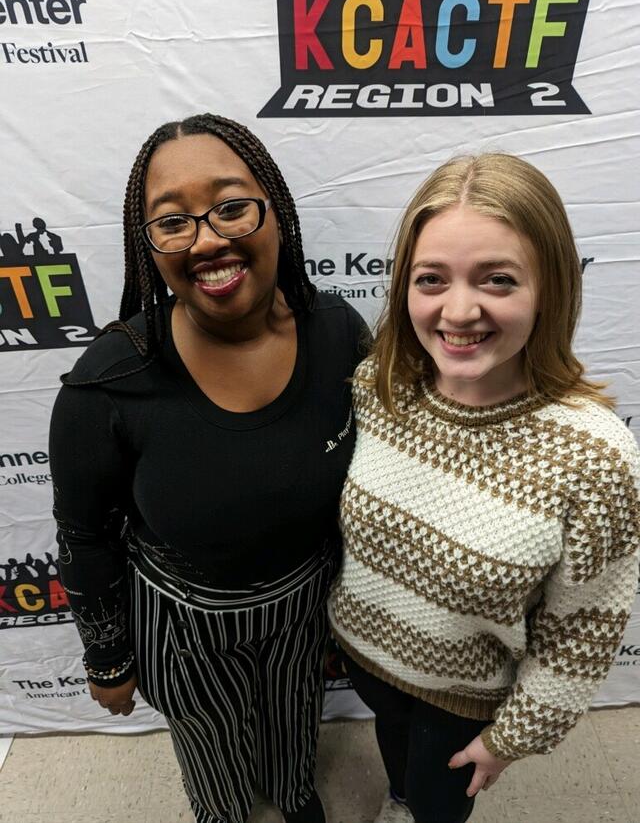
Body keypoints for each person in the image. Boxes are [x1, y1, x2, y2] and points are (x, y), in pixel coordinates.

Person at [49, 113, 369, 823]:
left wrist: (347, 618)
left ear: (275, 211)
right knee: (213, 759)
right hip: (183, 624)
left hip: (302, 606)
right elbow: (84, 534)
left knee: (294, 731)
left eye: (231, 207)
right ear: (149, 245)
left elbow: (366, 491)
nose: (209, 239)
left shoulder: (340, 334)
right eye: (173, 222)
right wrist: (108, 659)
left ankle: (291, 794)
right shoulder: (107, 382)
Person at [328, 154, 640, 823]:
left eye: (497, 279)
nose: (459, 310)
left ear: (550, 287)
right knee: (400, 774)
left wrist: (510, 739)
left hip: (460, 698)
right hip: (366, 663)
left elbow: (583, 630)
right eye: (431, 279)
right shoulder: (376, 392)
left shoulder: (595, 456)